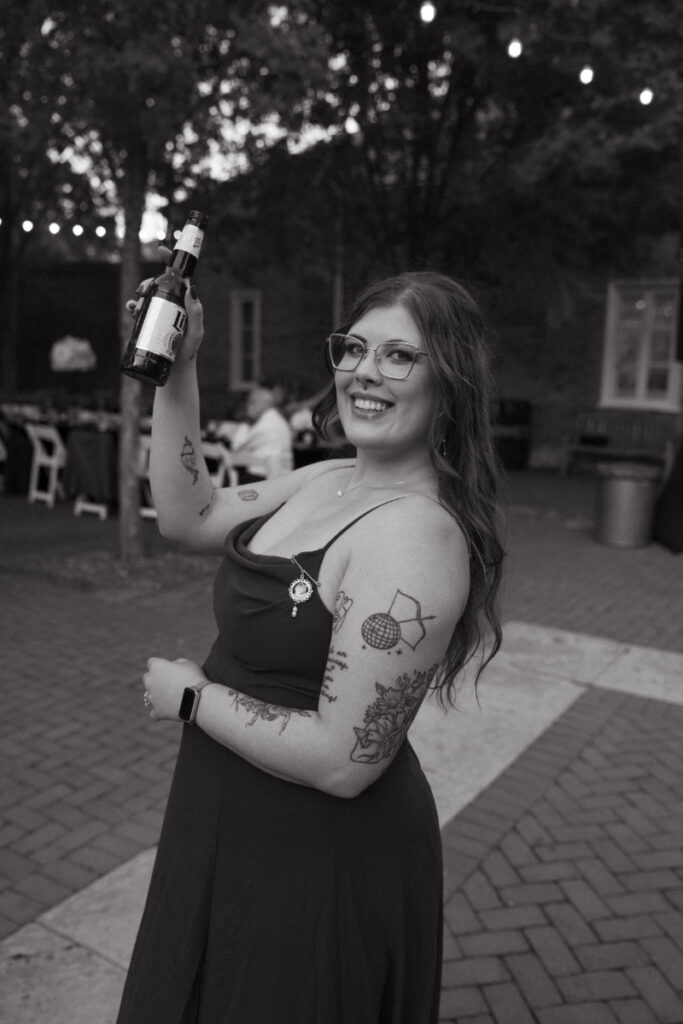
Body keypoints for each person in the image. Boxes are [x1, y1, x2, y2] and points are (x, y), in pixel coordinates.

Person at [117, 269, 504, 1024]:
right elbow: (190, 516)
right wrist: (179, 368)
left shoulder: (416, 535)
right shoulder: (327, 479)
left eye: (399, 356)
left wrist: (193, 698)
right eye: (354, 348)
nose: (365, 371)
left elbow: (343, 760)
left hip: (316, 852)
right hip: (228, 808)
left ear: (450, 384)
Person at [229, 383, 293, 481]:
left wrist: (245, 422)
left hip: (269, 479)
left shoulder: (267, 423)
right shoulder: (275, 419)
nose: (247, 405)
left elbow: (236, 448)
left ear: (266, 404)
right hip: (277, 476)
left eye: (253, 402)